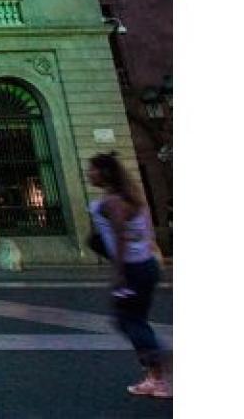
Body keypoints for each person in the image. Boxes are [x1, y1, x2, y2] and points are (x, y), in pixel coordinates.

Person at [87, 152, 170, 398]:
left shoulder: (114, 202)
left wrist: (120, 272)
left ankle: (162, 375)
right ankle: (158, 372)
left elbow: (121, 237)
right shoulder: (130, 197)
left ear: (105, 173)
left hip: (134, 268)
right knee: (132, 320)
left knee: (130, 321)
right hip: (145, 265)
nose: (89, 174)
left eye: (92, 170)